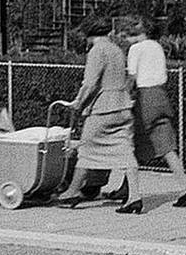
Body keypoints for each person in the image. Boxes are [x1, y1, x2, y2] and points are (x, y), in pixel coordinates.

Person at [53, 18, 144, 213]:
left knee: (86, 148)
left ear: (89, 36)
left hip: (104, 109)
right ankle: (134, 197)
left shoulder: (97, 51)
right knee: (125, 150)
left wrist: (78, 103)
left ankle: (72, 192)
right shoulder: (117, 50)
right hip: (123, 107)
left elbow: (91, 83)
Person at [110, 18, 186, 208]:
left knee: (129, 145)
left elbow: (132, 77)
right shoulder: (158, 47)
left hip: (145, 98)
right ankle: (185, 190)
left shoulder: (136, 49)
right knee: (167, 148)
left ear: (139, 33)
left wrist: (120, 98)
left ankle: (133, 196)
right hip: (161, 96)